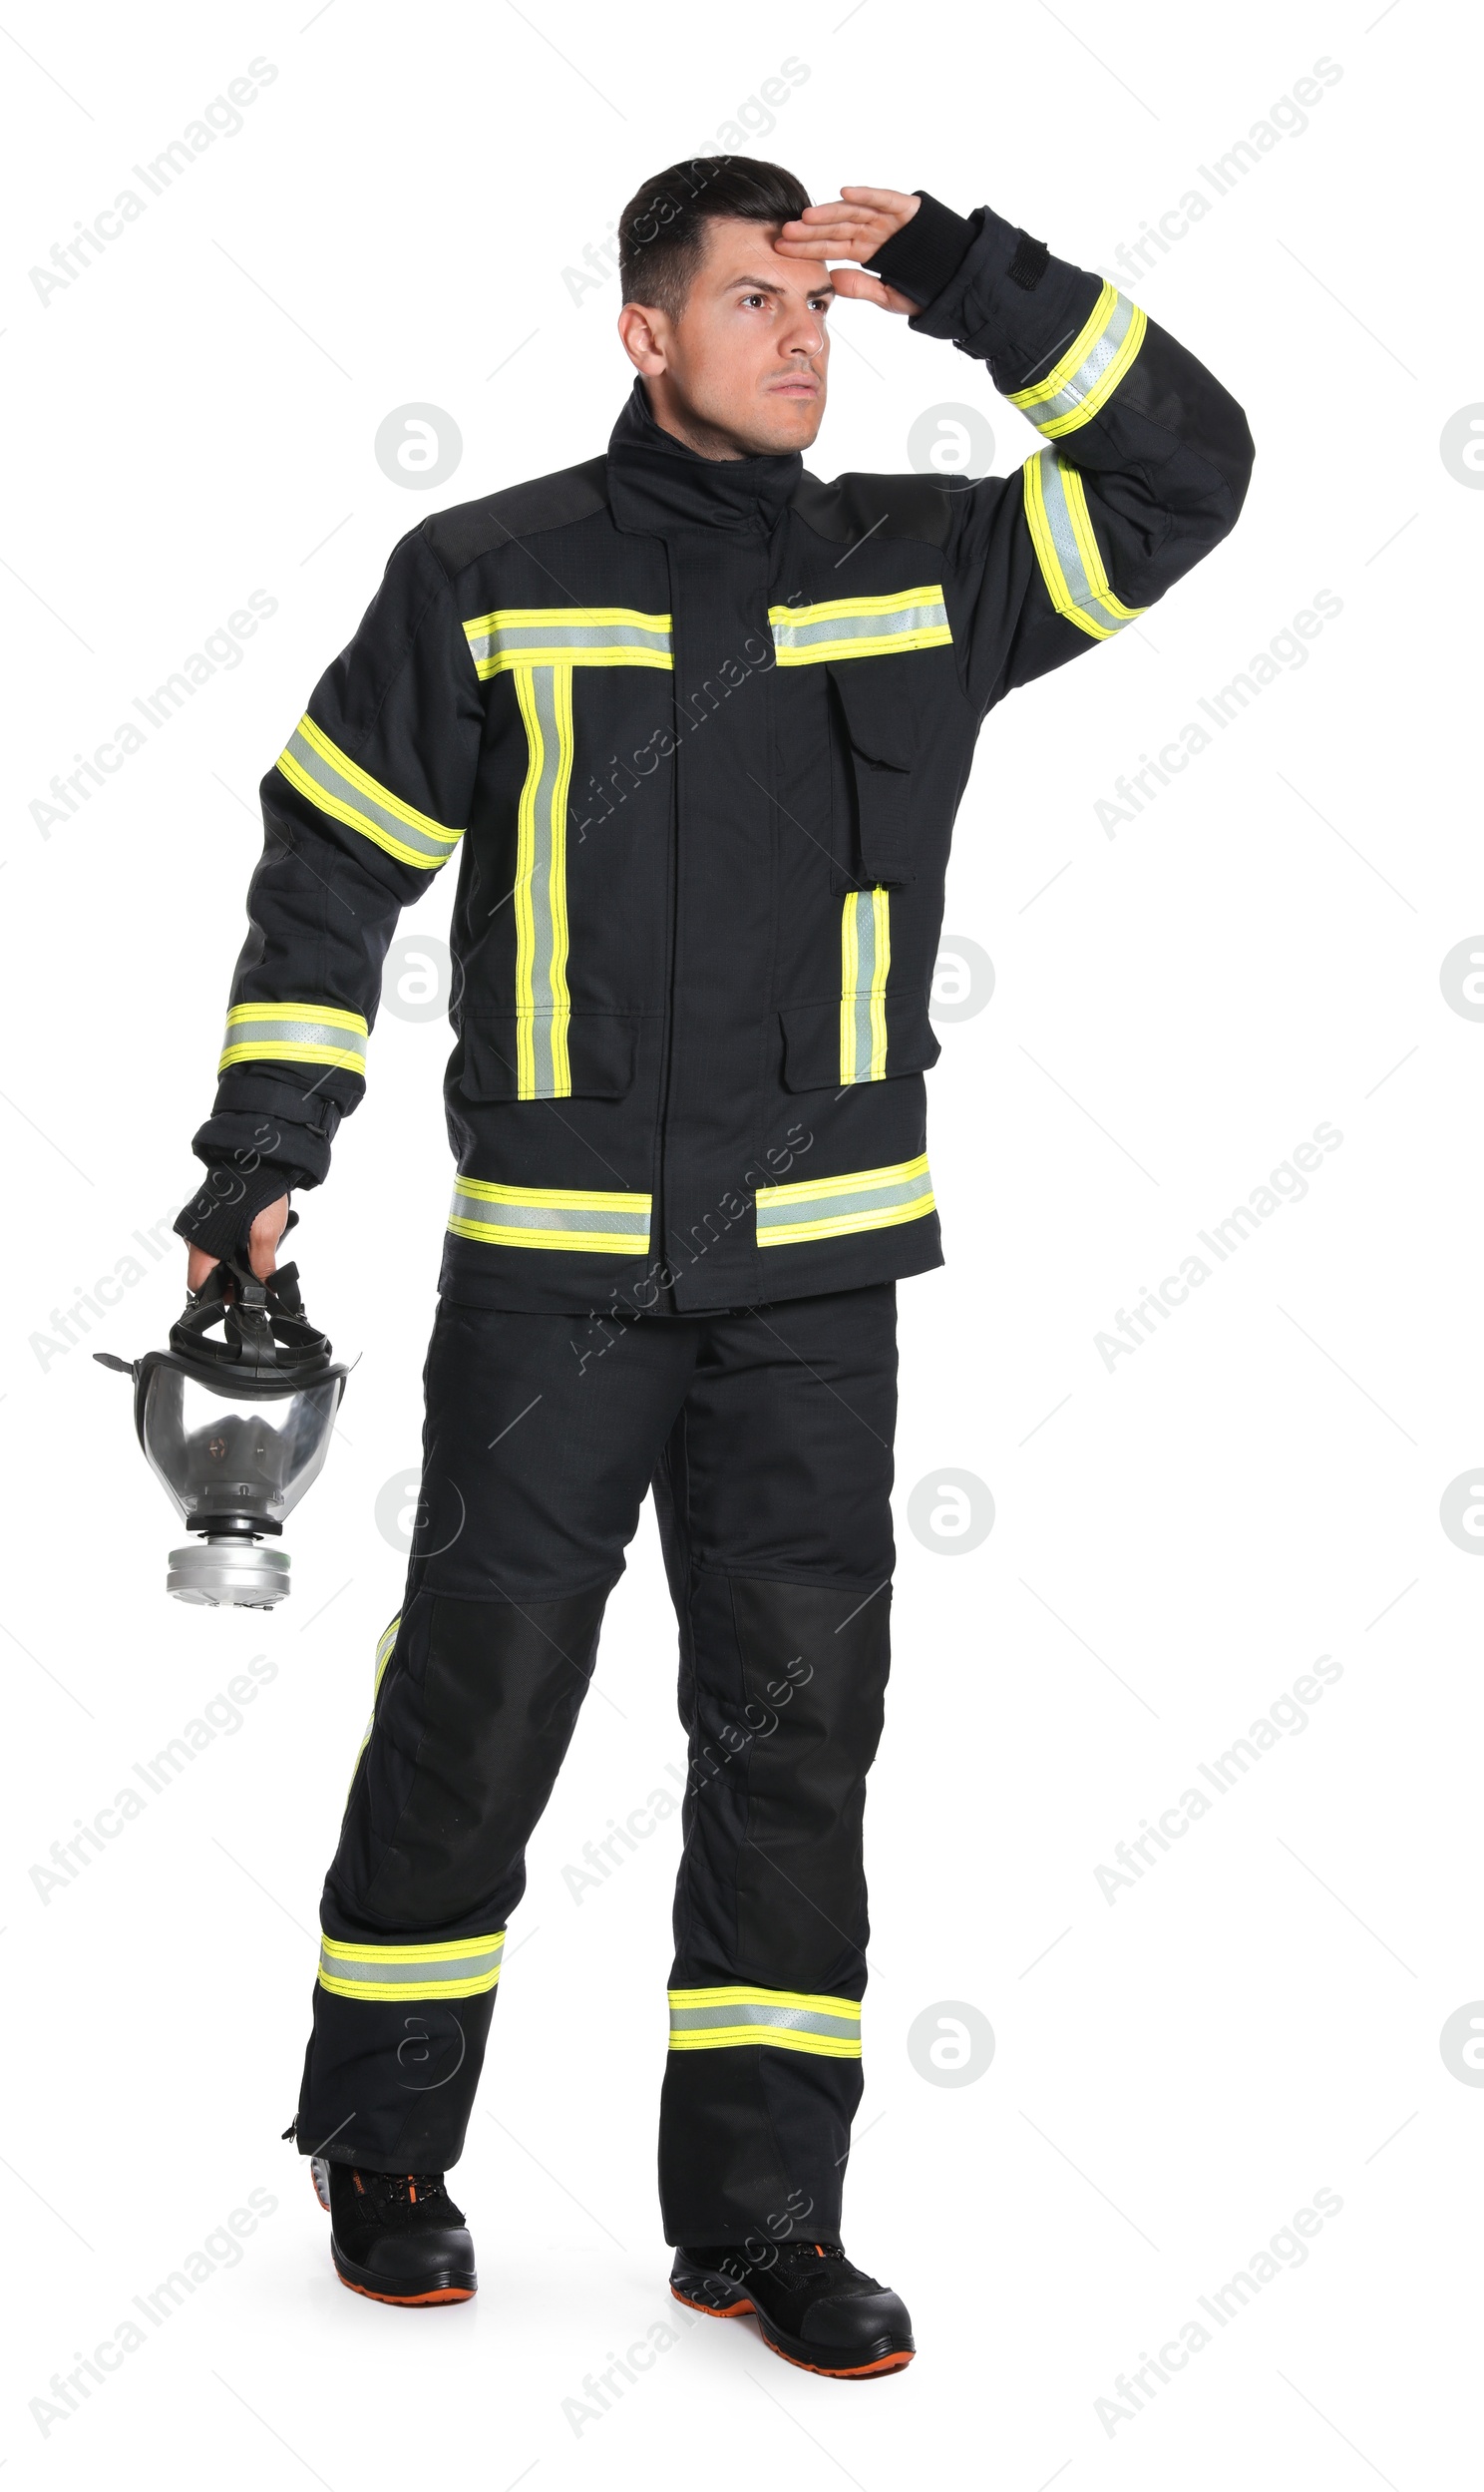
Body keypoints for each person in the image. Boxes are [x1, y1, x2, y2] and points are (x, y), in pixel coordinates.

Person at [175, 160, 1253, 2379]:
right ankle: (380, 2147)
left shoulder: (922, 568)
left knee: (792, 1745)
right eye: (748, 299)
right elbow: (332, 859)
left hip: (811, 1287)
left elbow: (1186, 464)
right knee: (474, 1718)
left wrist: (965, 271)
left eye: (818, 304)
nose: (798, 335)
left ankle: (759, 2220)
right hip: (551, 1280)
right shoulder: (485, 576)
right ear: (640, 332)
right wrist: (267, 1149)